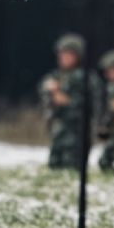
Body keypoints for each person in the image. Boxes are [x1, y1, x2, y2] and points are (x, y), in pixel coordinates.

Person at [39, 33, 98, 171]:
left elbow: (91, 104)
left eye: (68, 54)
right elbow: (44, 94)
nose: (63, 57)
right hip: (59, 130)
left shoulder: (85, 78)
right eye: (61, 53)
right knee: (55, 167)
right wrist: (50, 93)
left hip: (77, 134)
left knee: (72, 169)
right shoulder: (56, 76)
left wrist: (68, 101)